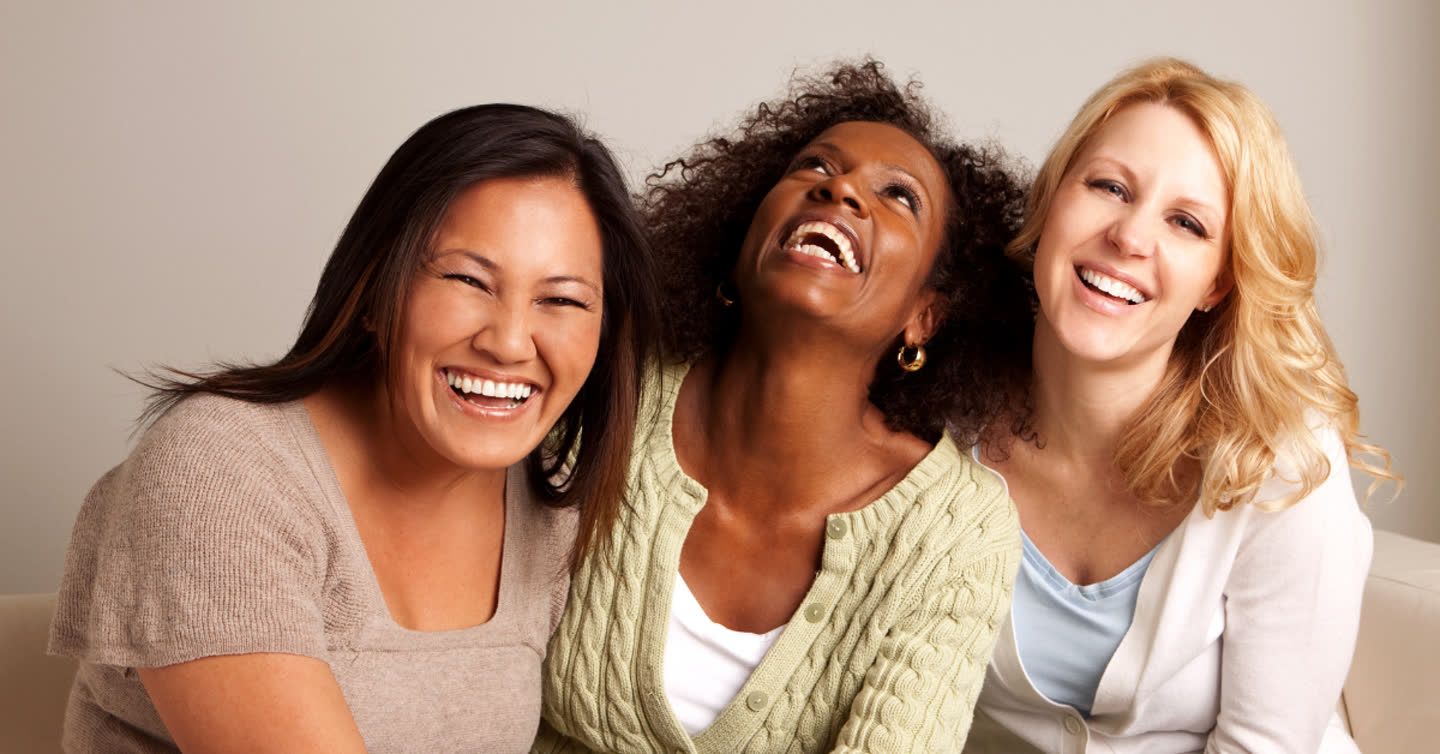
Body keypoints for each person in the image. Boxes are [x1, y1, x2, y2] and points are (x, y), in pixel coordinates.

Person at [47, 104, 661, 753]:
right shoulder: (221, 472)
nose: (509, 343)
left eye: (561, 300)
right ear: (374, 289)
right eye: (467, 279)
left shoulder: (554, 506)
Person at [534, 60, 1034, 754]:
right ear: (739, 242)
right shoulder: (608, 387)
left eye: (899, 196)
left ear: (923, 317)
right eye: (815, 167)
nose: (841, 188)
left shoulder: (956, 532)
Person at [964, 58, 1400, 753]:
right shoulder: (943, 419)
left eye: (1187, 223)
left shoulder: (1281, 463)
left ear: (1216, 284)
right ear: (1050, 203)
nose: (1130, 237)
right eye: (1110, 187)